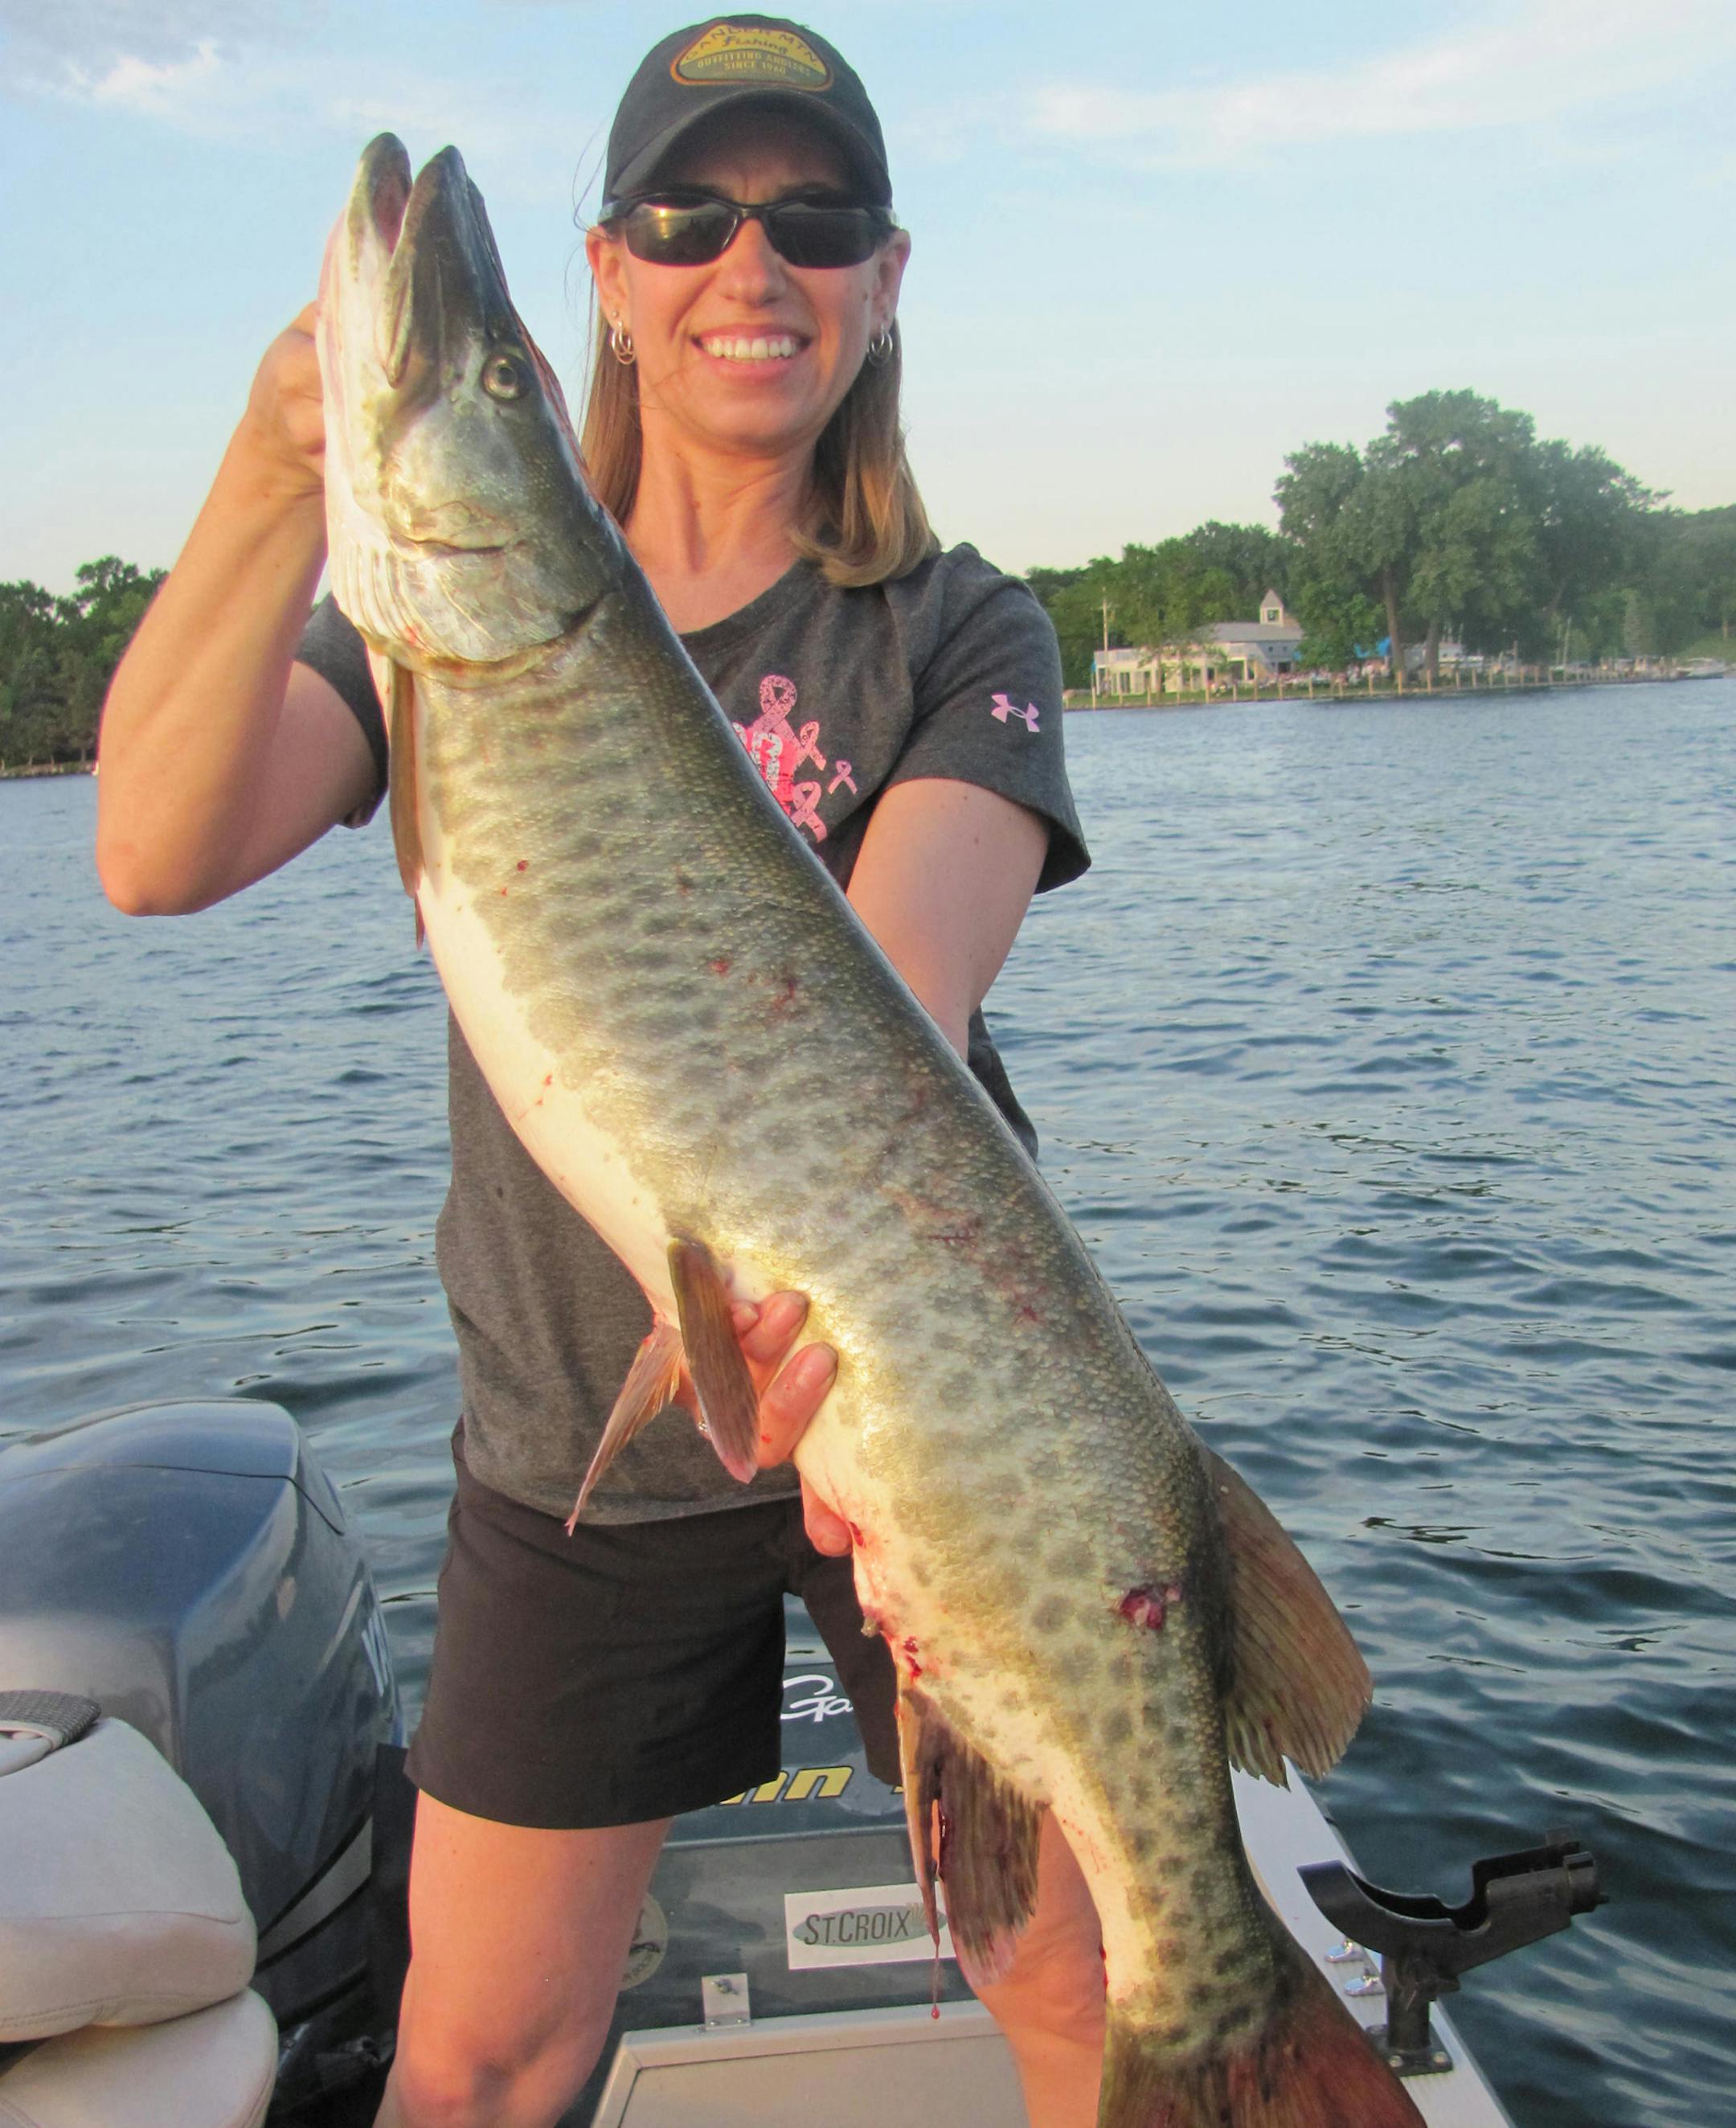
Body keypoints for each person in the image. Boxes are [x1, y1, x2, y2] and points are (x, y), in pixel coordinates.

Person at [96, 17, 1100, 2127]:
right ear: (609, 281)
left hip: (919, 1405)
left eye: (812, 219)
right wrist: (281, 465)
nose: (752, 264)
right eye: (688, 215)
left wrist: (815, 1317)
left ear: (884, 277)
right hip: (584, 1439)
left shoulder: (960, 628)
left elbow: (900, 1008)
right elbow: (151, 850)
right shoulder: (434, 630)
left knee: (1093, 1994)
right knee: (473, 2065)